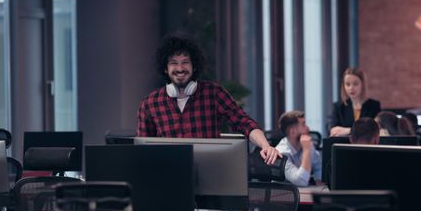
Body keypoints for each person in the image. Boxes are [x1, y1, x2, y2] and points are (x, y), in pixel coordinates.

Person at [136, 34, 280, 164]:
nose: (180, 68)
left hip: (211, 173)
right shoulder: (150, 103)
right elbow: (142, 150)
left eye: (185, 62)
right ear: (166, 69)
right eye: (174, 63)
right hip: (169, 177)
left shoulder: (214, 93)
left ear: (194, 67)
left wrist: (266, 146)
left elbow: (244, 122)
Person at [330, 67, 381, 137]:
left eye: (355, 84)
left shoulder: (373, 106)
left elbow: (375, 130)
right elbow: (334, 131)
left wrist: (348, 130)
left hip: (367, 146)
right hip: (344, 146)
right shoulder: (338, 107)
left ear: (362, 85)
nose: (351, 88)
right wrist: (361, 131)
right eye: (348, 84)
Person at [275, 110, 322, 187]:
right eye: (303, 125)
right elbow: (300, 181)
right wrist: (306, 151)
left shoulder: (306, 144)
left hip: (302, 193)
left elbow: (318, 166)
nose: (308, 128)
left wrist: (319, 180)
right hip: (283, 196)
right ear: (293, 132)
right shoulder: (281, 153)